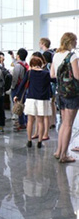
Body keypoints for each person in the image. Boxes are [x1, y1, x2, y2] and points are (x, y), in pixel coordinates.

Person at [50, 32, 79, 163]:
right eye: (75, 40)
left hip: (60, 92)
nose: (77, 43)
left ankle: (58, 151)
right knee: (68, 125)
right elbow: (77, 76)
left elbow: (52, 74)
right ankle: (64, 155)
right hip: (72, 94)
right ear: (70, 42)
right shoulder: (72, 56)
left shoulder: (56, 55)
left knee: (63, 123)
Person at [14, 57, 52, 148]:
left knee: (30, 121)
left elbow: (22, 84)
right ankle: (39, 142)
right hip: (42, 100)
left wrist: (17, 95)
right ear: (41, 64)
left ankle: (29, 140)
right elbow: (52, 82)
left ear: (31, 65)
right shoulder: (46, 73)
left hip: (31, 99)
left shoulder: (30, 73)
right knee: (40, 121)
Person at [11, 48, 29, 131]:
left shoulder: (18, 65)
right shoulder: (25, 64)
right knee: (23, 104)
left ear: (18, 55)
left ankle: (22, 123)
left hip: (18, 87)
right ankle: (25, 121)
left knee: (18, 105)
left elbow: (15, 78)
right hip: (24, 87)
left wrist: (12, 86)